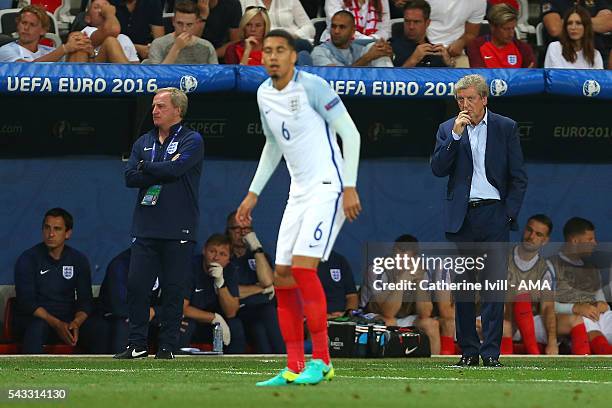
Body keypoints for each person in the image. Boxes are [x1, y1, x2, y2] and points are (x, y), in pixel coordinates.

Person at [235, 29, 362, 385]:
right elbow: (273, 144)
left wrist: (349, 187)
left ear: (294, 56)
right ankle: (293, 366)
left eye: (280, 50)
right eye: (268, 51)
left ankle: (321, 361)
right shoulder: (263, 94)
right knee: (282, 277)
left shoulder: (313, 87)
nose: (272, 56)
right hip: (299, 192)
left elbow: (351, 135)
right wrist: (253, 193)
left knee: (305, 270)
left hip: (329, 187)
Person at [431, 74, 528, 367]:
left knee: (493, 289)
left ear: (484, 99)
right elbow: (437, 169)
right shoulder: (448, 129)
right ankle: (469, 352)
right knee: (462, 290)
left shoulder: (505, 127)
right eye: (460, 99)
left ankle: (490, 353)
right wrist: (456, 136)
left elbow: (518, 177)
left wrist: (507, 214)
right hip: (462, 218)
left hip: (494, 215)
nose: (465, 104)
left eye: (470, 98)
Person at [115, 87, 204, 360]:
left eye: (161, 106)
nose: (154, 111)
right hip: (145, 226)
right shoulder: (143, 141)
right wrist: (158, 167)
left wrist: (147, 167)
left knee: (174, 289)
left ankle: (167, 346)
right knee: (137, 286)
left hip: (179, 227)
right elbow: (130, 177)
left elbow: (176, 170)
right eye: (154, 106)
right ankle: (137, 344)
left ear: (178, 110)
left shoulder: (192, 139)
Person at [13, 208, 101, 354]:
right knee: (36, 328)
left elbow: (85, 301)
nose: (51, 234)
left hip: (68, 319)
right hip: (37, 319)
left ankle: (101, 375)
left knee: (100, 328)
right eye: (47, 228)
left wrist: (76, 323)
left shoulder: (78, 260)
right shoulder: (28, 259)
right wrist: (56, 324)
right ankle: (31, 375)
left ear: (68, 233)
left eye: (57, 229)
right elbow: (26, 302)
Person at [360, 235, 440, 354]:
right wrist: (401, 282)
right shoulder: (377, 270)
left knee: (431, 324)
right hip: (372, 315)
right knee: (389, 322)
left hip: (404, 316)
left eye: (407, 258)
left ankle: (435, 368)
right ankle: (384, 365)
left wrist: (418, 282)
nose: (401, 261)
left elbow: (425, 312)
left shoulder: (421, 271)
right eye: (398, 256)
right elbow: (388, 312)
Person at [549, 217, 612, 354]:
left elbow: (599, 296)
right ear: (575, 241)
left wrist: (602, 303)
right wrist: (576, 307)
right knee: (585, 320)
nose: (595, 243)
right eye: (590, 240)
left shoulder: (592, 268)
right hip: (570, 318)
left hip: (596, 314)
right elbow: (546, 305)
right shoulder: (551, 265)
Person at [225, 211, 284, 353]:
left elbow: (267, 280)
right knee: (267, 312)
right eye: (237, 229)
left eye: (246, 230)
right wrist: (261, 289)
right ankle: (287, 360)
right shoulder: (224, 256)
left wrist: (256, 248)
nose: (242, 233)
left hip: (261, 311)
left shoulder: (259, 256)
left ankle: (276, 365)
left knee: (260, 329)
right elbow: (232, 292)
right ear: (228, 231)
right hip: (239, 311)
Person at [179, 234, 247, 353]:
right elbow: (182, 308)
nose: (216, 257)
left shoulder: (230, 270)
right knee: (184, 325)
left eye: (222, 254)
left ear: (228, 259)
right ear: (204, 250)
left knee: (236, 325)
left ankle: (234, 367)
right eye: (212, 251)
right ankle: (178, 364)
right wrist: (215, 318)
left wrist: (220, 283)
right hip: (195, 320)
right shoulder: (191, 268)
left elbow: (231, 312)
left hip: (217, 326)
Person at [501, 215, 558, 355]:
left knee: (572, 320)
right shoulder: (502, 258)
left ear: (545, 241)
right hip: (504, 319)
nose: (531, 236)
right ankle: (533, 353)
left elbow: (547, 307)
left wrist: (552, 342)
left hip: (531, 322)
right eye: (529, 230)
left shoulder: (545, 268)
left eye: (538, 234)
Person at [0, 5, 92, 62]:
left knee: (78, 39)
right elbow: (27, 71)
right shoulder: (5, 51)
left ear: (43, 30)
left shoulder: (50, 52)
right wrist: (65, 48)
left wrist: (90, 54)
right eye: (23, 23)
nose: (26, 28)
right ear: (18, 24)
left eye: (32, 25)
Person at [541, 0, 612, 66]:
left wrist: (566, 21)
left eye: (578, 23)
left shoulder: (596, 54)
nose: (574, 27)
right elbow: (555, 28)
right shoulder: (554, 47)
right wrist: (595, 22)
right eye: (569, 23)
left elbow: (609, 23)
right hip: (563, 53)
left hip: (595, 52)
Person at [311, 10, 393, 66]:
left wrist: (388, 53)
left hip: (367, 90)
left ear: (353, 31)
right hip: (330, 92)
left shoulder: (362, 50)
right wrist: (367, 58)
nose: (336, 31)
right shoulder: (319, 52)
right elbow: (338, 79)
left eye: (342, 27)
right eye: (333, 26)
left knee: (378, 50)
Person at [147, 0, 218, 64]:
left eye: (189, 25)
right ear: (173, 21)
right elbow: (158, 76)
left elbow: (215, 76)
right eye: (180, 23)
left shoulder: (207, 46)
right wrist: (176, 48)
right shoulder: (158, 44)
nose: (184, 29)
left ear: (196, 23)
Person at [467, 3, 535, 68]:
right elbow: (480, 74)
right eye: (506, 29)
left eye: (513, 28)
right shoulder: (476, 46)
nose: (511, 34)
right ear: (492, 27)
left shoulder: (523, 48)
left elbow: (530, 73)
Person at [390, 0, 453, 67]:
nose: (411, 27)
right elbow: (389, 77)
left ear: (427, 23)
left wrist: (449, 65)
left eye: (416, 22)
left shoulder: (437, 51)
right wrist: (412, 61)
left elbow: (448, 77)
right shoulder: (392, 47)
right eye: (407, 21)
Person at [425, 0, 487, 67]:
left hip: (455, 52)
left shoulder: (479, 2)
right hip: (422, 44)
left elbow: (471, 33)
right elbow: (415, 23)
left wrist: (461, 42)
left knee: (467, 76)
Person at [240, 0, 316, 46]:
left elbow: (309, 27)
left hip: (291, 42)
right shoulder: (244, 2)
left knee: (303, 49)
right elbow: (241, 28)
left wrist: (293, 36)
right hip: (261, 43)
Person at [322, 0, 391, 42]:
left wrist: (375, 40)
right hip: (339, 43)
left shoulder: (382, 1)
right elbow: (341, 29)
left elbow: (385, 29)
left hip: (375, 45)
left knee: (382, 58)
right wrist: (370, 41)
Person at [317, 250, 358, 318]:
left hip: (340, 319)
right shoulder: (299, 260)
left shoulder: (339, 260)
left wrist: (348, 314)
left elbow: (351, 296)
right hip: (312, 319)